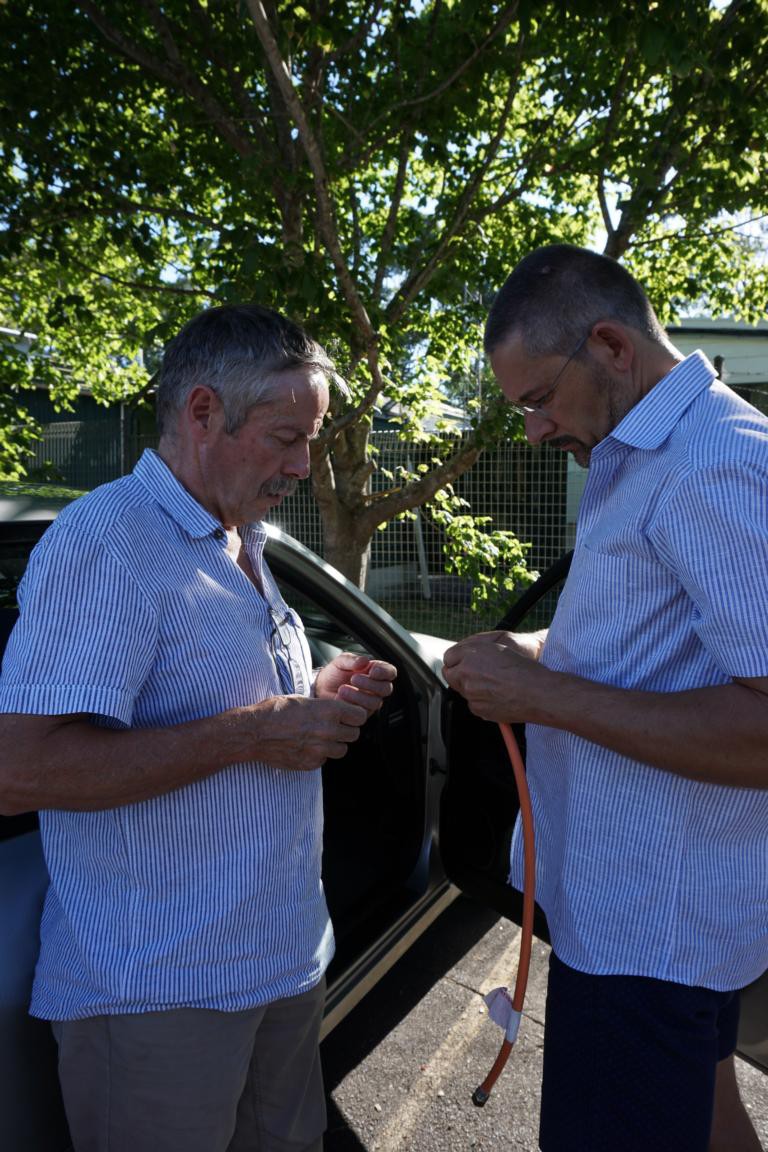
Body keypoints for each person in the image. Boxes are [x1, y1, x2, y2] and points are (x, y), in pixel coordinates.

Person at [0, 303, 397, 1152]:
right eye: (286, 438)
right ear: (203, 412)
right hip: (159, 996)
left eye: (311, 439)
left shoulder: (236, 535)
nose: (303, 465)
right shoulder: (107, 543)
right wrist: (253, 733)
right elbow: (21, 769)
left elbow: (216, 701)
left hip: (279, 965)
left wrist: (311, 697)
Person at [442, 245, 768, 1152]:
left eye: (541, 398)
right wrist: (538, 652)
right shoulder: (646, 453)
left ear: (612, 347)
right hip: (655, 924)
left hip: (649, 936)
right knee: (709, 1118)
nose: (535, 429)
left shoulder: (713, 465)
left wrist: (543, 694)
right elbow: (663, 643)